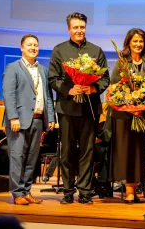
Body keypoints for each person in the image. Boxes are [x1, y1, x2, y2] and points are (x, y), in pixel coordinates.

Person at [48, 12, 110, 204]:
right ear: (69, 29)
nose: (79, 30)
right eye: (75, 27)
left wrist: (93, 87)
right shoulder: (59, 50)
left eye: (82, 27)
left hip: (89, 109)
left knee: (87, 151)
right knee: (67, 151)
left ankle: (85, 191)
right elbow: (53, 78)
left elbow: (105, 78)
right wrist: (70, 89)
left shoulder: (96, 51)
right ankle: (67, 191)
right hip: (67, 109)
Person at [2, 34, 55, 205]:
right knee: (17, 157)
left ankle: (26, 191)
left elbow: (47, 96)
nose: (33, 48)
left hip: (38, 120)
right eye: (29, 45)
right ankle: (17, 193)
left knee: (32, 159)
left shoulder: (43, 70)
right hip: (18, 121)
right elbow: (9, 95)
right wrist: (13, 117)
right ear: (22, 48)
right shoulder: (13, 67)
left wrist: (51, 117)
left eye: (36, 45)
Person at [109, 28, 145, 203]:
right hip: (124, 116)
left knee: (139, 153)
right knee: (126, 153)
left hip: (143, 115)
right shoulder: (121, 62)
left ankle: (135, 188)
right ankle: (129, 190)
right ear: (128, 42)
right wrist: (129, 105)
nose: (138, 44)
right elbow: (114, 88)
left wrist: (143, 105)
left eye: (141, 41)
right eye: (135, 41)